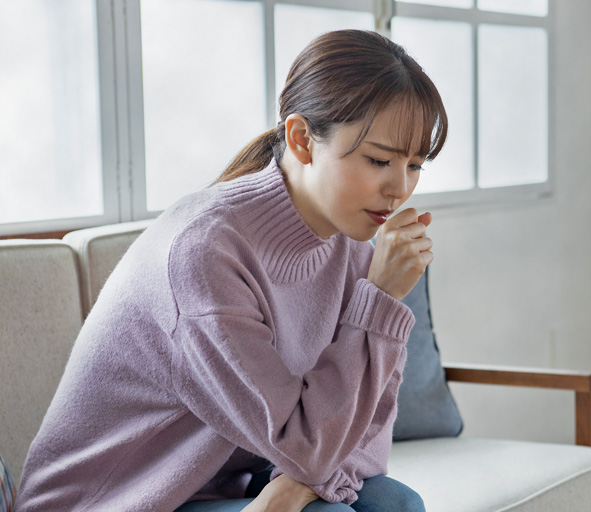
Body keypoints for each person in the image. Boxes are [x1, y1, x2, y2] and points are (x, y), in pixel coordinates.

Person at [14, 29, 447, 512]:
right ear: (302, 139)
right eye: (379, 160)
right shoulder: (204, 253)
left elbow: (370, 425)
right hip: (120, 500)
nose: (399, 188)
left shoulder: (355, 238)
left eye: (414, 165)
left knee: (395, 504)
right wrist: (380, 300)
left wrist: (298, 485)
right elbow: (299, 441)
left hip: (232, 480)